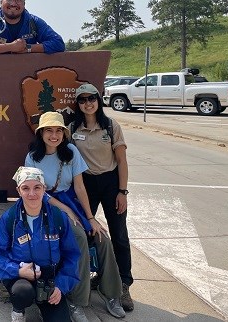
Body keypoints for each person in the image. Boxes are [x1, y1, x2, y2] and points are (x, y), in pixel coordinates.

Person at [25, 112, 125, 321]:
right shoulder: (33, 157)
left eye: (58, 131)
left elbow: (79, 187)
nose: (54, 135)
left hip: (72, 201)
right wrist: (66, 210)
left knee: (101, 238)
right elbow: (38, 191)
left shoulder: (70, 151)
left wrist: (91, 218)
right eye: (49, 131)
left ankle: (112, 294)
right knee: (79, 237)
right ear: (41, 133)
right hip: (48, 205)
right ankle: (78, 301)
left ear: (64, 133)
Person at [70, 83, 134, 312]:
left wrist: (122, 191)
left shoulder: (110, 126)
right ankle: (96, 277)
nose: (88, 103)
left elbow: (122, 161)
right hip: (85, 184)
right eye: (82, 100)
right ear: (77, 104)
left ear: (99, 100)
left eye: (92, 98)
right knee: (87, 232)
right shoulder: (72, 128)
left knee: (118, 234)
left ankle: (124, 284)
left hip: (110, 182)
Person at [0, 166, 80, 322]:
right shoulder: (10, 218)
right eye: (26, 188)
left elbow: (71, 254)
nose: (32, 194)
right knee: (22, 292)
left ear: (44, 189)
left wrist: (60, 286)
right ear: (18, 190)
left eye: (37, 187)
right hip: (21, 276)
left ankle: (45, 305)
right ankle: (19, 310)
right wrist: (17, 271)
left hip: (50, 278)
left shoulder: (58, 218)